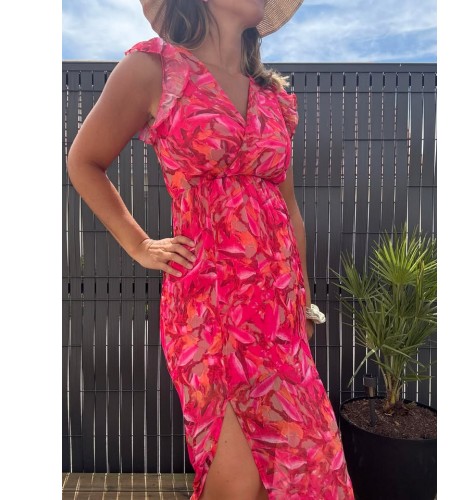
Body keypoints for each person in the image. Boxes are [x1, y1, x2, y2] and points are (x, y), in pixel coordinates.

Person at [67, 0, 355, 498]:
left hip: (277, 311)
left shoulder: (273, 98)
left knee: (303, 460)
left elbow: (288, 208)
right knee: (238, 477)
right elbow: (84, 160)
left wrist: (303, 300)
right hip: (209, 307)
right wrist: (139, 244)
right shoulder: (153, 70)